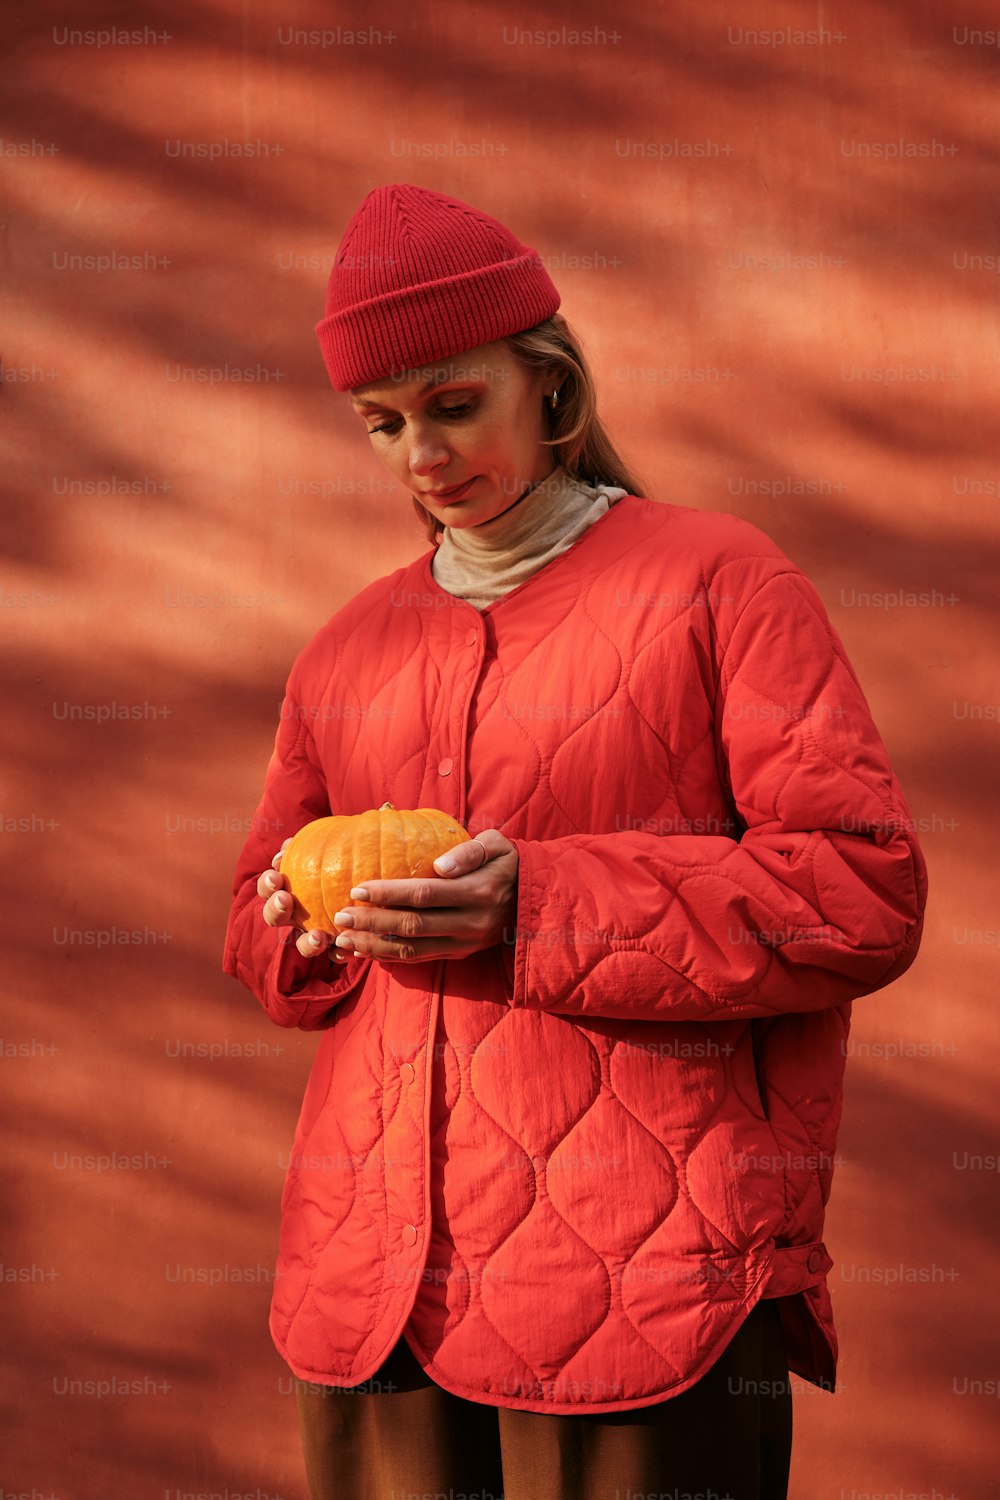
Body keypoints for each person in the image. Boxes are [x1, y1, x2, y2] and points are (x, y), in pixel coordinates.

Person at [223, 183, 928, 1500]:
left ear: (548, 388)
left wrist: (537, 902)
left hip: (649, 1290)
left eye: (452, 404)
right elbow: (256, 927)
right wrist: (296, 928)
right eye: (383, 425)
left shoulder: (723, 584)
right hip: (376, 1293)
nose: (419, 456)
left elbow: (860, 892)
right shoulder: (348, 647)